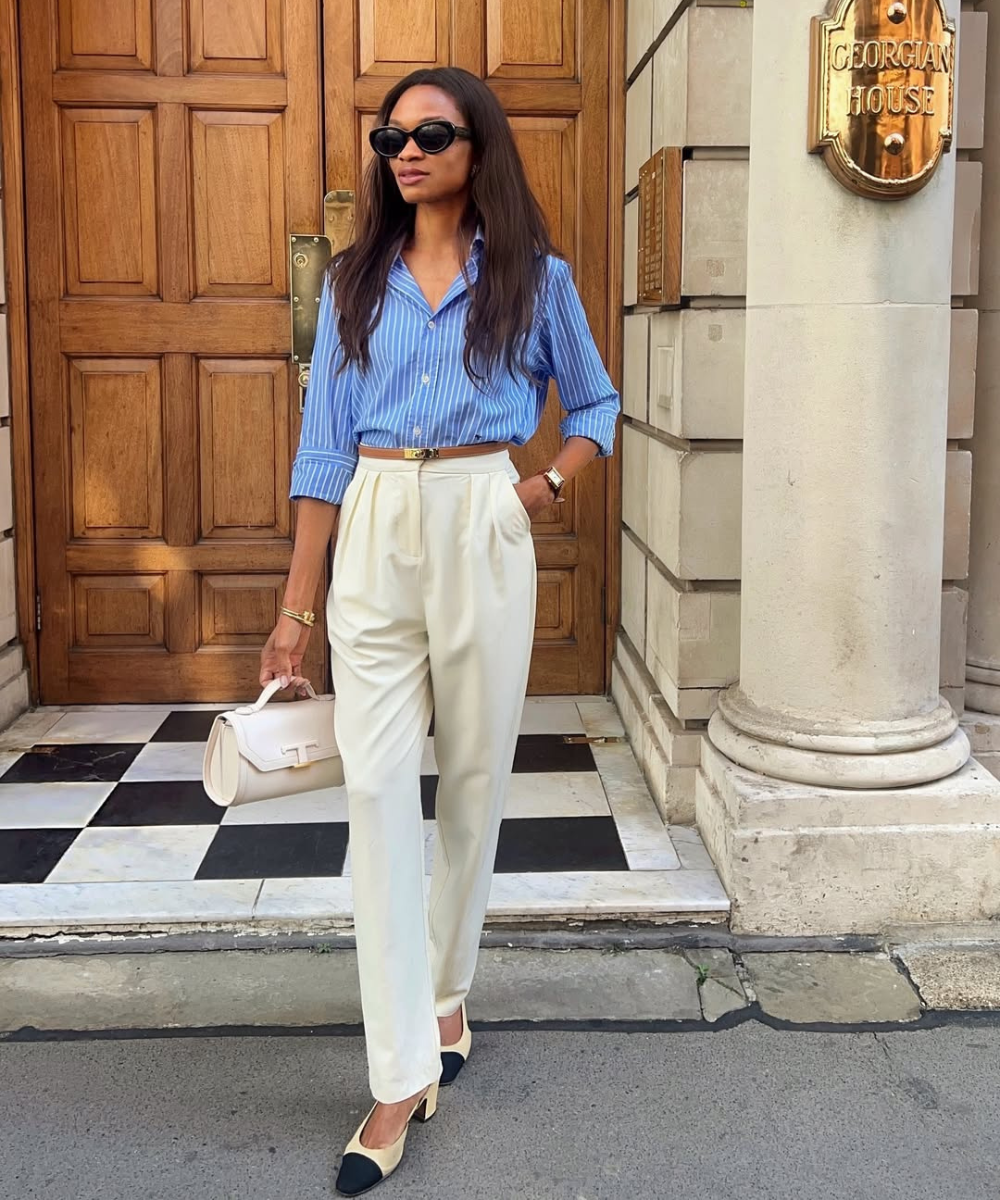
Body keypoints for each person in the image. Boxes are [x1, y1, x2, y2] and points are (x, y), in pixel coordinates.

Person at [260, 65, 619, 1195]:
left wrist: (535, 491)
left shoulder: (533, 277)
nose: (403, 150)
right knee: (376, 796)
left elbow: (598, 408)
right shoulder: (354, 282)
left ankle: (448, 989)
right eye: (390, 136)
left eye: (429, 132)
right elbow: (322, 451)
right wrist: (293, 613)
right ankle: (397, 1074)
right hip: (371, 515)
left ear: (477, 150)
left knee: (470, 782)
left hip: (479, 514)